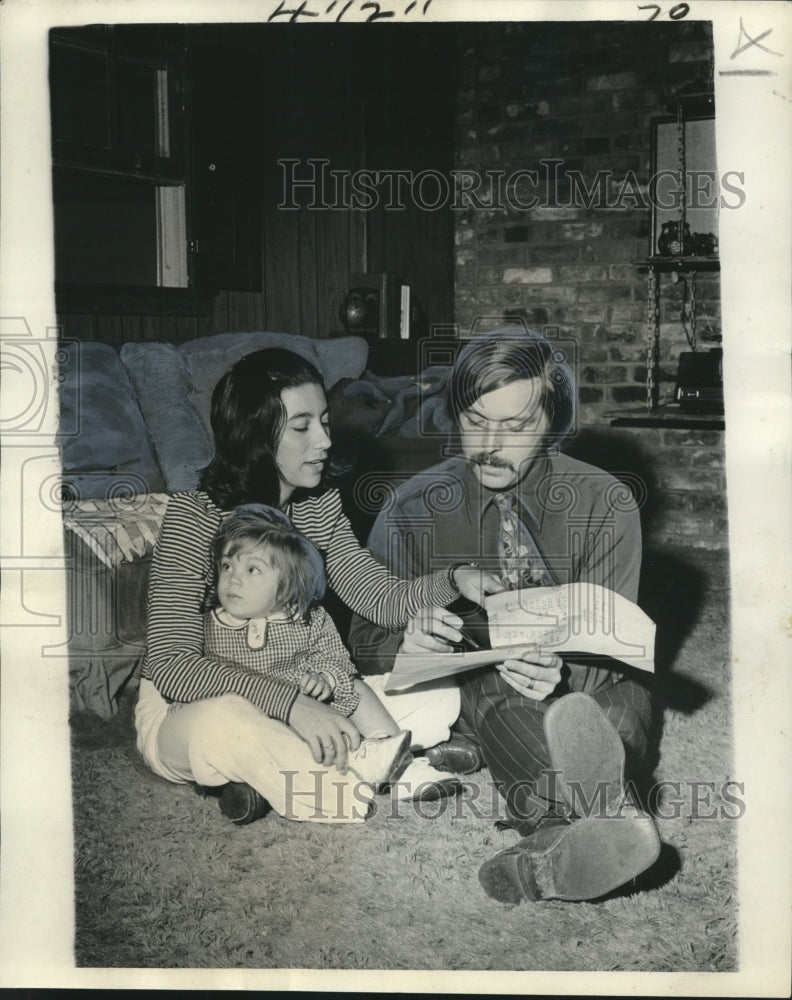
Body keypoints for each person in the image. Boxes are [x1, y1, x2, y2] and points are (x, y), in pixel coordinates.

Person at [349, 326, 661, 902]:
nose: (490, 443)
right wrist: (407, 647)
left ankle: (546, 845)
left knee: (615, 712)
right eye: (474, 420)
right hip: (473, 687)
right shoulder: (411, 506)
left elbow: (615, 639)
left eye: (516, 426)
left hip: (591, 685)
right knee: (502, 696)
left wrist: (563, 674)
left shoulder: (606, 501)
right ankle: (599, 820)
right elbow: (363, 632)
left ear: (553, 424)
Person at [135, 347, 476, 826]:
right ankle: (356, 771)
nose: (323, 441)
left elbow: (378, 596)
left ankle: (274, 774)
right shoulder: (194, 516)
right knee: (226, 724)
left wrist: (456, 578)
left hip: (298, 682)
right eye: (301, 427)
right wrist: (290, 704)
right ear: (255, 434)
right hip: (190, 707)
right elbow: (172, 667)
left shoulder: (319, 506)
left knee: (441, 690)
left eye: (324, 422)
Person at [206, 501, 436, 789]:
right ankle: (356, 764)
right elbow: (203, 680)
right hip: (260, 718)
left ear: (288, 585)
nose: (233, 579)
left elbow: (338, 660)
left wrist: (325, 678)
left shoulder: (309, 619)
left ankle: (393, 755)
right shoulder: (211, 626)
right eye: (227, 566)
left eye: (253, 570)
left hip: (314, 707)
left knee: (354, 687)